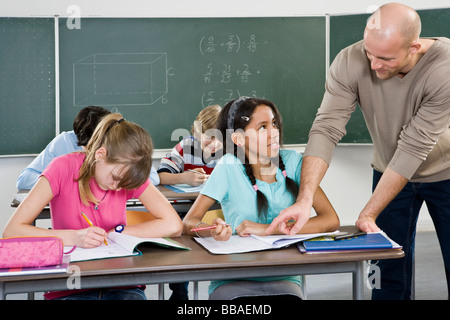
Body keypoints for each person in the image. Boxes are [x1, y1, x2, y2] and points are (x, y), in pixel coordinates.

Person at [267, 3, 450, 300]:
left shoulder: (444, 66)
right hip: (387, 168)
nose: (374, 66)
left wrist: (367, 212)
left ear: (414, 47)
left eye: (385, 58)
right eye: (369, 53)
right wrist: (305, 199)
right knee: (385, 279)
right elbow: (326, 129)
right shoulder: (349, 61)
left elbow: (414, 146)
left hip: (445, 173)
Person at [3, 113, 183, 300]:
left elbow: (173, 224)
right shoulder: (61, 168)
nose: (118, 187)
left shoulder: (126, 172)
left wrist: (121, 232)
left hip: (121, 284)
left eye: (126, 184)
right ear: (100, 154)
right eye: (116, 178)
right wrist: (75, 236)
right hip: (70, 285)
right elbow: (12, 231)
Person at [183, 97, 339, 300]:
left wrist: (267, 229)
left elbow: (330, 219)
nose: (274, 132)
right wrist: (210, 230)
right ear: (238, 139)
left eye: (274, 124)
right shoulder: (229, 166)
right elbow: (189, 223)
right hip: (232, 281)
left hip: (285, 280)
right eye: (262, 127)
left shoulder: (294, 162)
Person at [16, 106, 160, 189]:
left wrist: (115, 179)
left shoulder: (119, 142)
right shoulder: (64, 141)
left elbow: (153, 178)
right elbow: (24, 179)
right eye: (89, 147)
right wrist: (66, 183)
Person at [158, 105, 222, 187]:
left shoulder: (229, 150)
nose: (215, 144)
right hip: (187, 199)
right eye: (209, 137)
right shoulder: (186, 146)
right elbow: (161, 176)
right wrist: (184, 178)